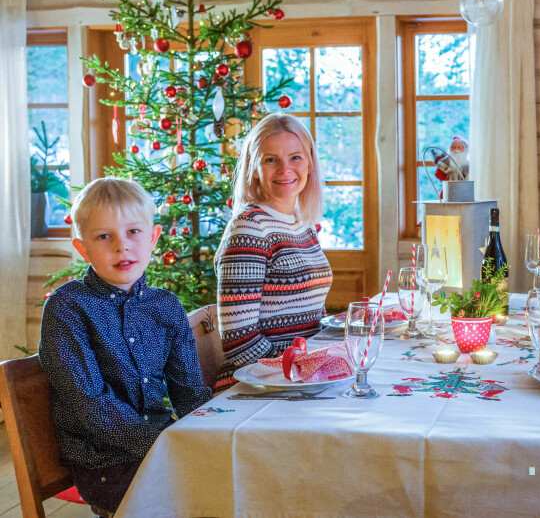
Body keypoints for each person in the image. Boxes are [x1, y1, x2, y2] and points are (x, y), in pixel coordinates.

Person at [39, 178, 211, 516]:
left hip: (162, 448)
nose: (122, 247)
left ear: (153, 238)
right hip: (106, 466)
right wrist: (163, 447)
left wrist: (215, 431)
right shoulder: (67, 308)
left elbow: (189, 391)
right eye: (105, 236)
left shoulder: (166, 307)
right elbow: (91, 406)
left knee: (242, 480)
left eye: (133, 232)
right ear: (83, 248)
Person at [214, 113, 332, 392]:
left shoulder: (302, 224)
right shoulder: (249, 229)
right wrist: (301, 370)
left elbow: (313, 317)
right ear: (253, 167)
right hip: (256, 385)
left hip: (298, 377)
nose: (285, 170)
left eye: (295, 158)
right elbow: (240, 343)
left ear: (310, 164)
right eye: (271, 160)